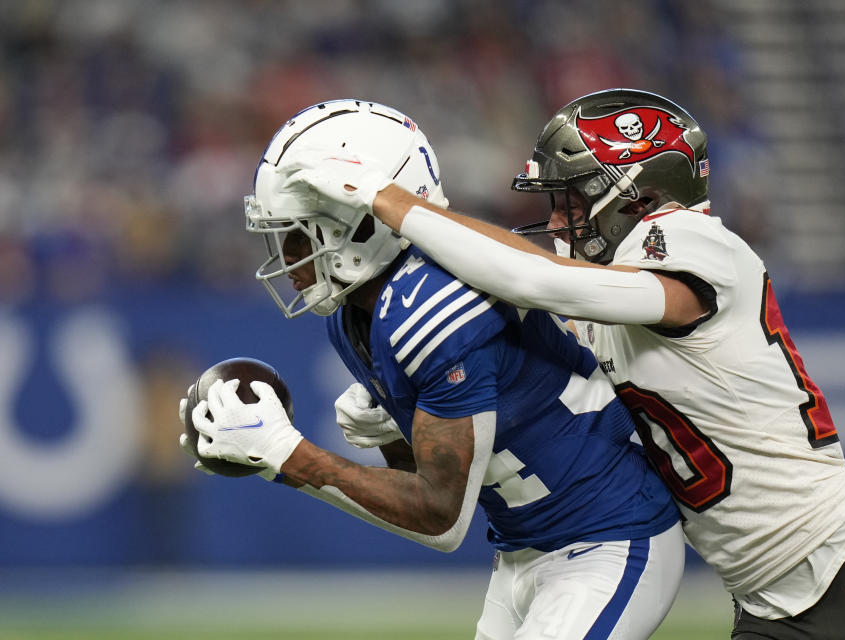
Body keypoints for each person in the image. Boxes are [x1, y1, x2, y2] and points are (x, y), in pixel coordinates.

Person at [279, 89, 845, 639]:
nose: (559, 220)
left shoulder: (696, 244)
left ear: (637, 192)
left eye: (572, 199)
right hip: (762, 599)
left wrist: (391, 203)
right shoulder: (611, 302)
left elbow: (540, 281)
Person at [180, 99, 685, 640]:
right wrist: (392, 433)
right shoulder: (357, 309)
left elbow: (440, 517)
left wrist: (287, 455)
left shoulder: (434, 309)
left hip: (609, 538)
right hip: (520, 550)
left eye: (303, 232)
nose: (290, 255)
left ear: (362, 226)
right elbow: (419, 475)